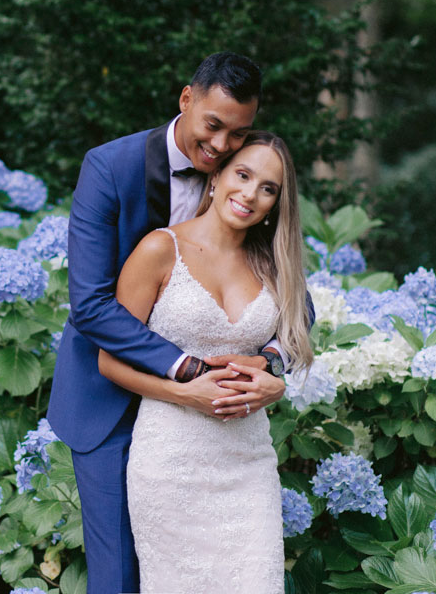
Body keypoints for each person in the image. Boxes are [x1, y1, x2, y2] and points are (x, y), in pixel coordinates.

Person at [47, 52, 311, 593]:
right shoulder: (109, 167)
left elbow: (295, 302)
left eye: (236, 135)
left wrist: (269, 362)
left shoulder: (246, 184)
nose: (219, 146)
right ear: (186, 99)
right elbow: (93, 306)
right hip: (109, 397)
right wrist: (188, 371)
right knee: (119, 577)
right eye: (212, 126)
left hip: (223, 436)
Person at [98, 130, 313, 593]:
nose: (250, 194)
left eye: (268, 188)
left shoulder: (274, 265)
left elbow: (292, 339)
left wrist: (274, 378)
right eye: (243, 174)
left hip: (248, 464)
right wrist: (183, 392)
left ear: (276, 203)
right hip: (170, 463)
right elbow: (109, 362)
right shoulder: (159, 249)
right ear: (215, 178)